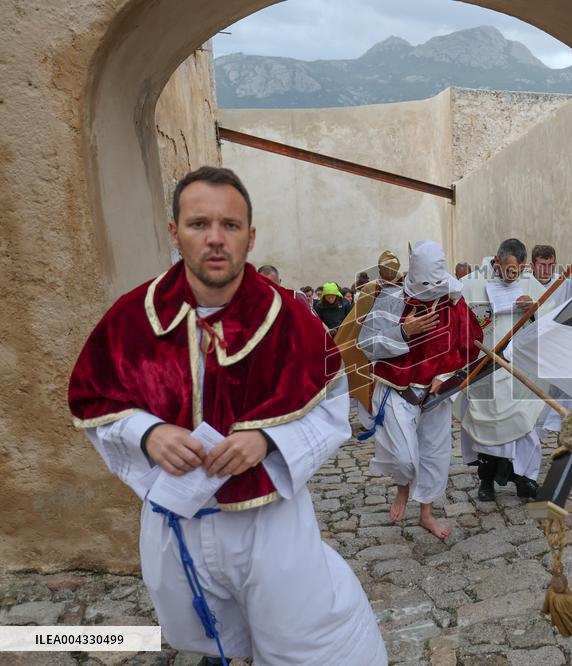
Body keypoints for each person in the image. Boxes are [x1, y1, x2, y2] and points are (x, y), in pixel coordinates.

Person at [67, 166, 386, 665]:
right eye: (198, 224)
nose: (215, 239)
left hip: (269, 521)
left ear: (250, 236)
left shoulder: (292, 321)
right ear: (174, 233)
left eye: (230, 226)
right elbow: (95, 404)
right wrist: (147, 433)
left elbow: (331, 406)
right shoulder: (131, 320)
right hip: (178, 519)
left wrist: (268, 440)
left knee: (305, 636)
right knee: (201, 632)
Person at [359, 240, 482, 538]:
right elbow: (367, 344)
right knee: (404, 458)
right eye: (426, 283)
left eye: (436, 283)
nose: (432, 289)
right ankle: (403, 488)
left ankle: (426, 513)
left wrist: (450, 373)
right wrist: (403, 331)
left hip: (436, 394)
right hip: (397, 390)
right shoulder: (391, 299)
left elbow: (469, 344)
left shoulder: (453, 301)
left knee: (434, 456)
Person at [458, 238, 547, 501]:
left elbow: (551, 318)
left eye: (517, 272)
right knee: (485, 430)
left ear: (524, 266)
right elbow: (458, 323)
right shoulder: (471, 284)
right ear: (496, 261)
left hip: (519, 372)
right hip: (484, 370)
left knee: (526, 425)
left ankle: (526, 480)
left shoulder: (531, 284)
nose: (513, 277)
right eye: (508, 271)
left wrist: (534, 310)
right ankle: (486, 482)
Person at [334, 250, 405, 427]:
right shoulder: (373, 288)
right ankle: (373, 419)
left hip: (394, 340)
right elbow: (357, 320)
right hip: (374, 341)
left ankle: (381, 417)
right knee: (368, 379)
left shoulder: (404, 287)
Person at [529, 244, 572, 438]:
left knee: (569, 388)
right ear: (532, 266)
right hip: (532, 350)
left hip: (558, 346)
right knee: (533, 396)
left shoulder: (563, 284)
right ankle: (532, 436)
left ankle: (565, 433)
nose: (546, 270)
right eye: (542, 265)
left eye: (550, 265)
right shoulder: (524, 285)